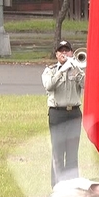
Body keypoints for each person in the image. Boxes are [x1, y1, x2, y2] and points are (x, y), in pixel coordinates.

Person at [42, 40, 85, 187]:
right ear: (56, 54)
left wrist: (78, 70)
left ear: (72, 53)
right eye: (61, 51)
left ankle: (73, 186)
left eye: (67, 51)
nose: (64, 54)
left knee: (72, 153)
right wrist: (62, 70)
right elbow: (49, 86)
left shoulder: (77, 69)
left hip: (74, 113)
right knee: (58, 152)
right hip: (57, 114)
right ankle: (57, 187)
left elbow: (87, 85)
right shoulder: (51, 70)